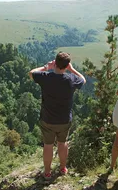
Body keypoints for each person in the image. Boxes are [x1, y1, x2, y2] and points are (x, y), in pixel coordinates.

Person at [29, 52, 86, 180]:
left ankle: (48, 172)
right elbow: (83, 79)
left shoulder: (45, 77)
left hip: (47, 119)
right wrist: (71, 69)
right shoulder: (71, 79)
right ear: (66, 65)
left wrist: (46, 67)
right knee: (63, 143)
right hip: (64, 120)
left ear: (55, 62)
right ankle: (62, 168)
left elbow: (31, 73)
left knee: (48, 145)